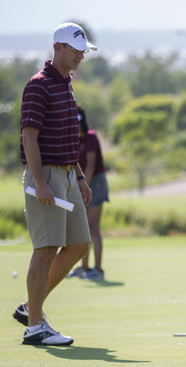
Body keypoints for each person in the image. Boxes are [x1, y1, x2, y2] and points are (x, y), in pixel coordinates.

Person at [13, 22, 97, 346]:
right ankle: (35, 326)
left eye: (83, 52)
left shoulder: (66, 84)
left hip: (67, 173)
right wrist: (39, 183)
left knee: (78, 245)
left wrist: (79, 176)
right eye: (75, 51)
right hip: (45, 174)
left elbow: (65, 139)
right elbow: (29, 136)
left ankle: (29, 307)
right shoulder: (39, 85)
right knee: (46, 248)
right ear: (58, 48)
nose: (80, 56)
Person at [66, 106, 109, 281]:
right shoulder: (77, 139)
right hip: (87, 183)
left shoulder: (90, 136)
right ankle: (84, 268)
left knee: (93, 227)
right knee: (84, 228)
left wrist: (83, 187)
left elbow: (90, 165)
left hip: (96, 182)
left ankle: (97, 270)